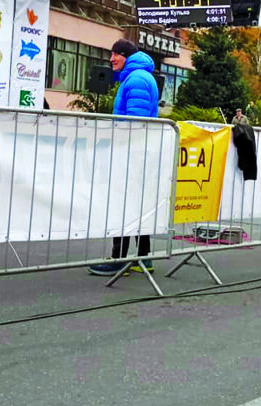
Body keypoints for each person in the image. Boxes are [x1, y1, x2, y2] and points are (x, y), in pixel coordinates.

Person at [88, 39, 159, 277]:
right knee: (138, 204)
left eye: (115, 54)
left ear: (126, 56)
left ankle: (119, 260)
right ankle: (143, 258)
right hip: (139, 152)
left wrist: (120, 146)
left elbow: (135, 123)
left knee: (124, 204)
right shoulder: (137, 76)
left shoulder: (136, 79)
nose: (111, 59)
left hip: (132, 153)